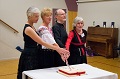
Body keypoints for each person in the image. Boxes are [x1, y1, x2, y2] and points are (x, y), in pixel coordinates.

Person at [17, 6, 69, 79]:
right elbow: (42, 42)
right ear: (29, 16)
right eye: (36, 16)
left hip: (34, 53)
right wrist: (59, 49)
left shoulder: (32, 27)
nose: (37, 18)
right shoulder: (28, 28)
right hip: (29, 55)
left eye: (38, 16)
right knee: (29, 75)